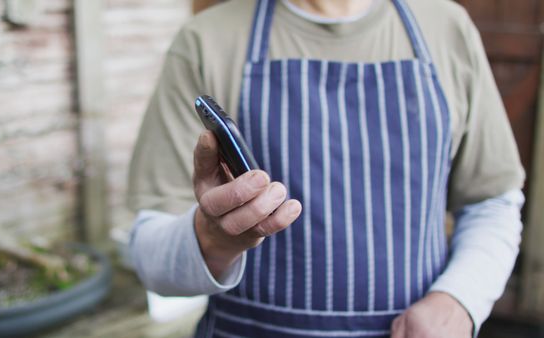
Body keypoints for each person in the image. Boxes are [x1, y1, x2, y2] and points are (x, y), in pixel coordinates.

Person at [126, 0, 525, 337]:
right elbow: (148, 253)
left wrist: (459, 299)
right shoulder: (205, 40)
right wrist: (212, 240)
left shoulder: (446, 28)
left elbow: (492, 202)